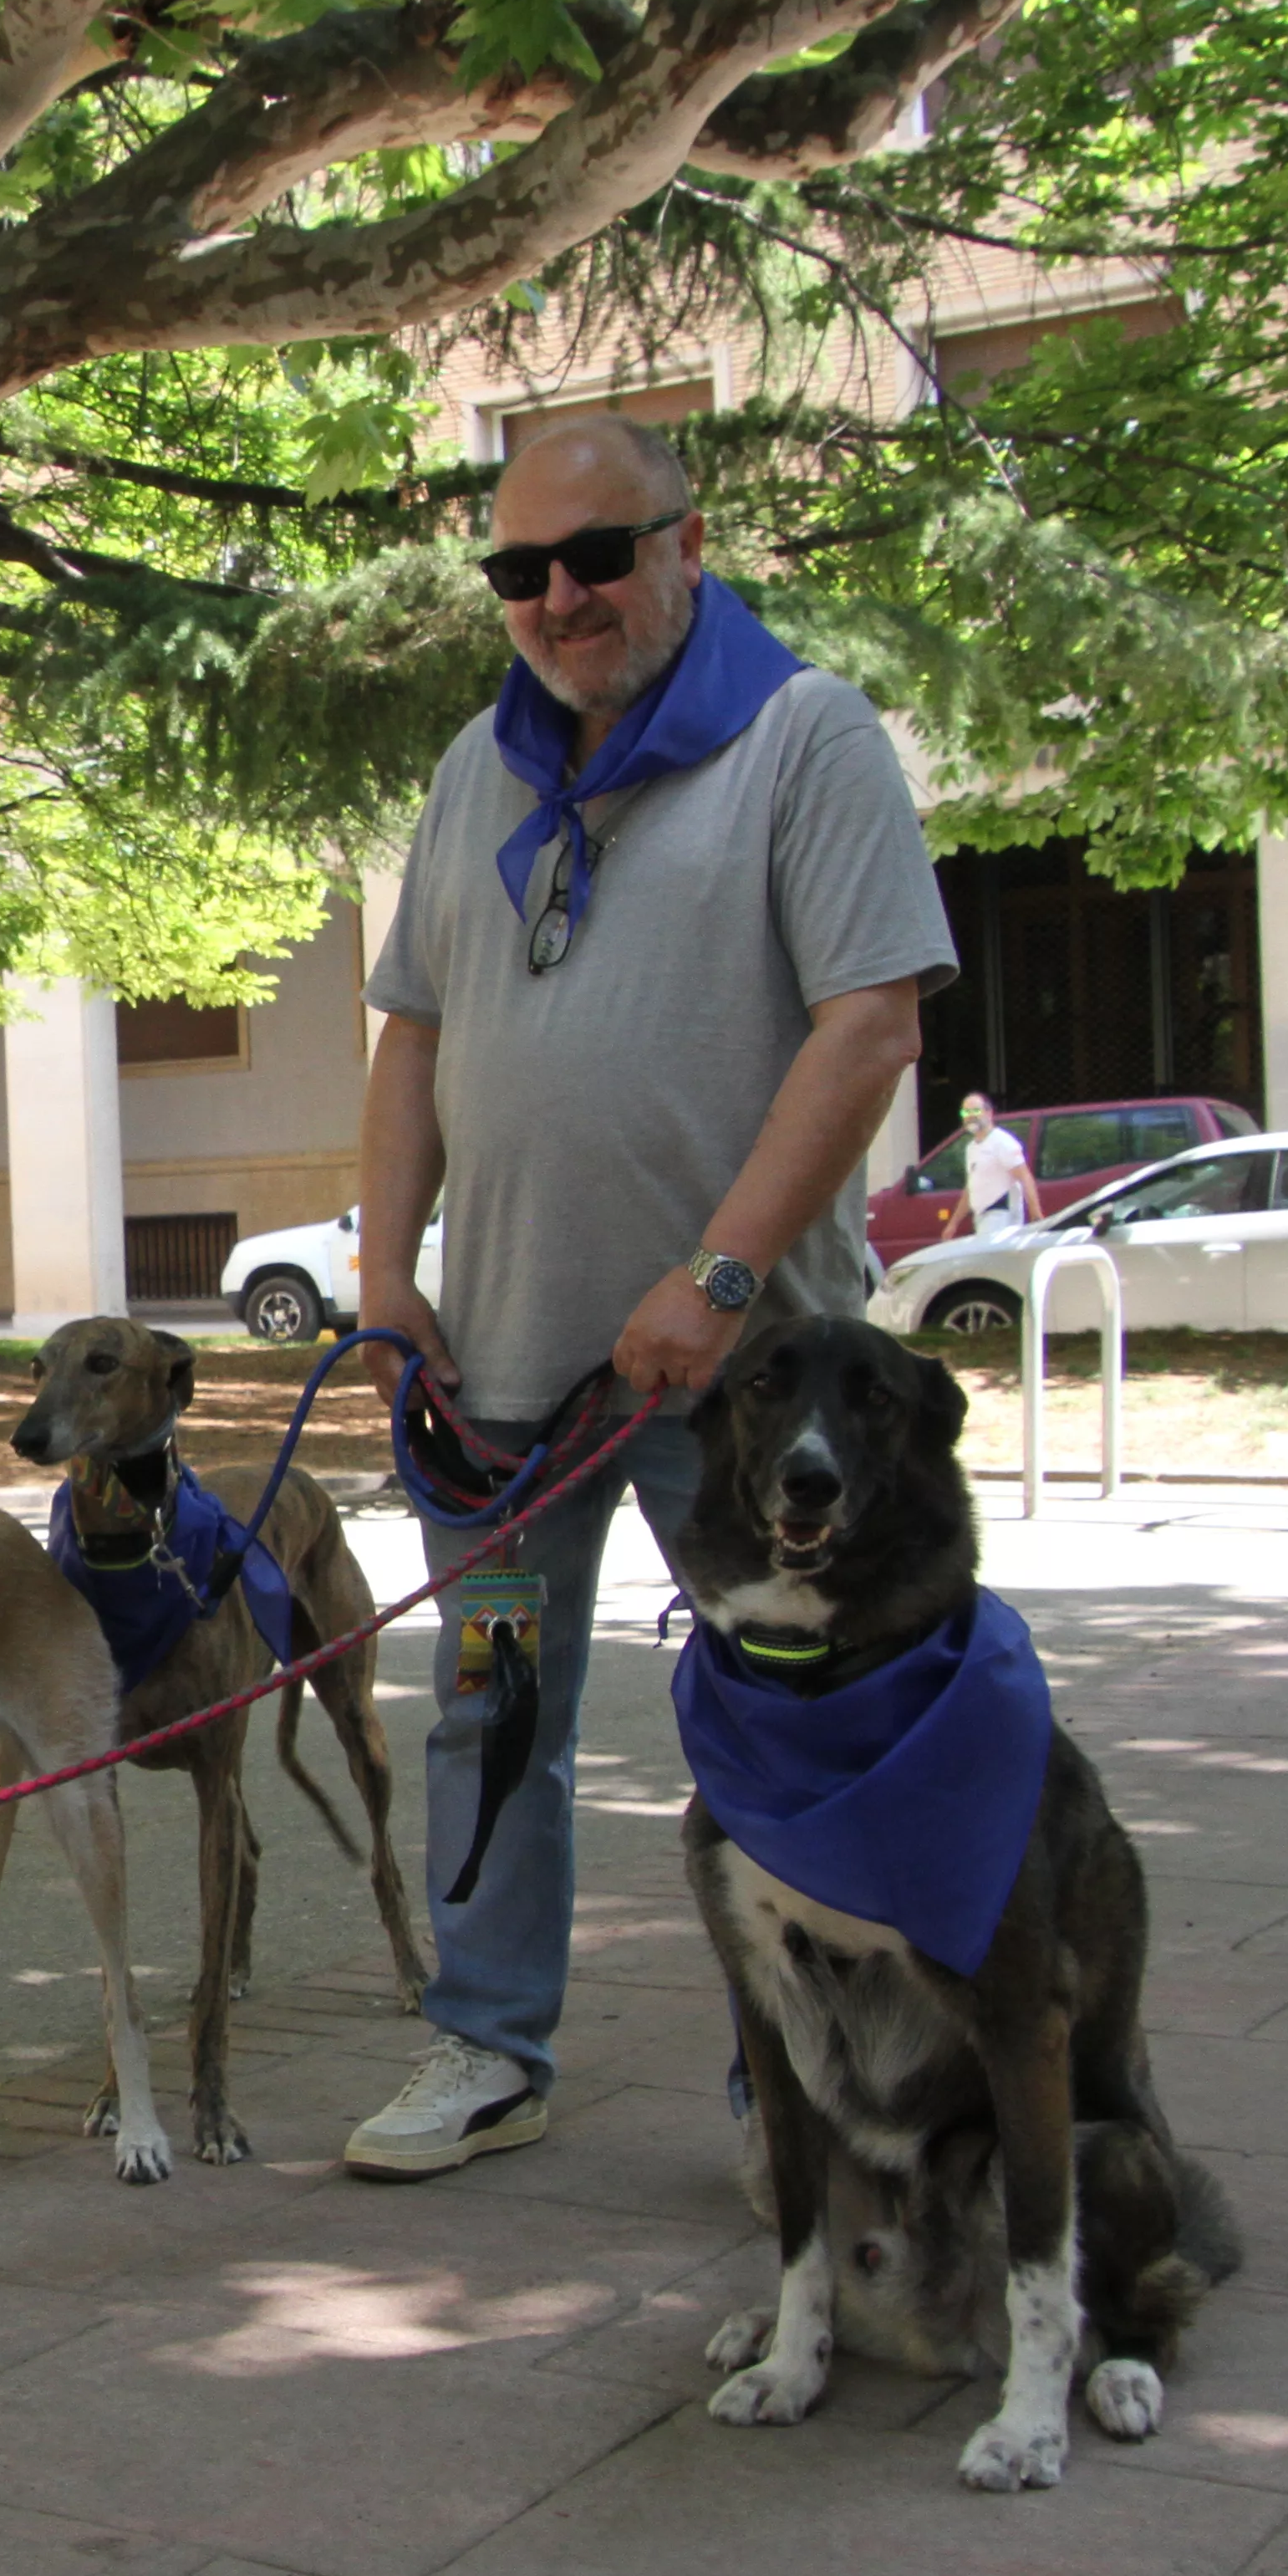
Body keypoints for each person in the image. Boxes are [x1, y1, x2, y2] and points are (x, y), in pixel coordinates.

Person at [341, 415, 952, 2180]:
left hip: (750, 1394)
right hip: (510, 1386)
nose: (560, 599)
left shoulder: (802, 739)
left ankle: (815, 2092)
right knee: (496, 1697)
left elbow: (872, 1028)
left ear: (688, 543)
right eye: (520, 571)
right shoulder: (480, 766)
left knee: (786, 1710)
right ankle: (486, 2046)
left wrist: (721, 1276)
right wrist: (388, 1275)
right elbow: (418, 1032)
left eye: (598, 557)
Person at [961, 1092, 1033, 1235]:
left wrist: (1035, 1214)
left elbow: (1025, 1177)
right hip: (980, 1216)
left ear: (989, 1113)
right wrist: (953, 1223)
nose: (970, 1116)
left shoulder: (1002, 1142)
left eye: (975, 1111)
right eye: (965, 1112)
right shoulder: (971, 1148)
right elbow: (972, 1187)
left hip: (1001, 1215)